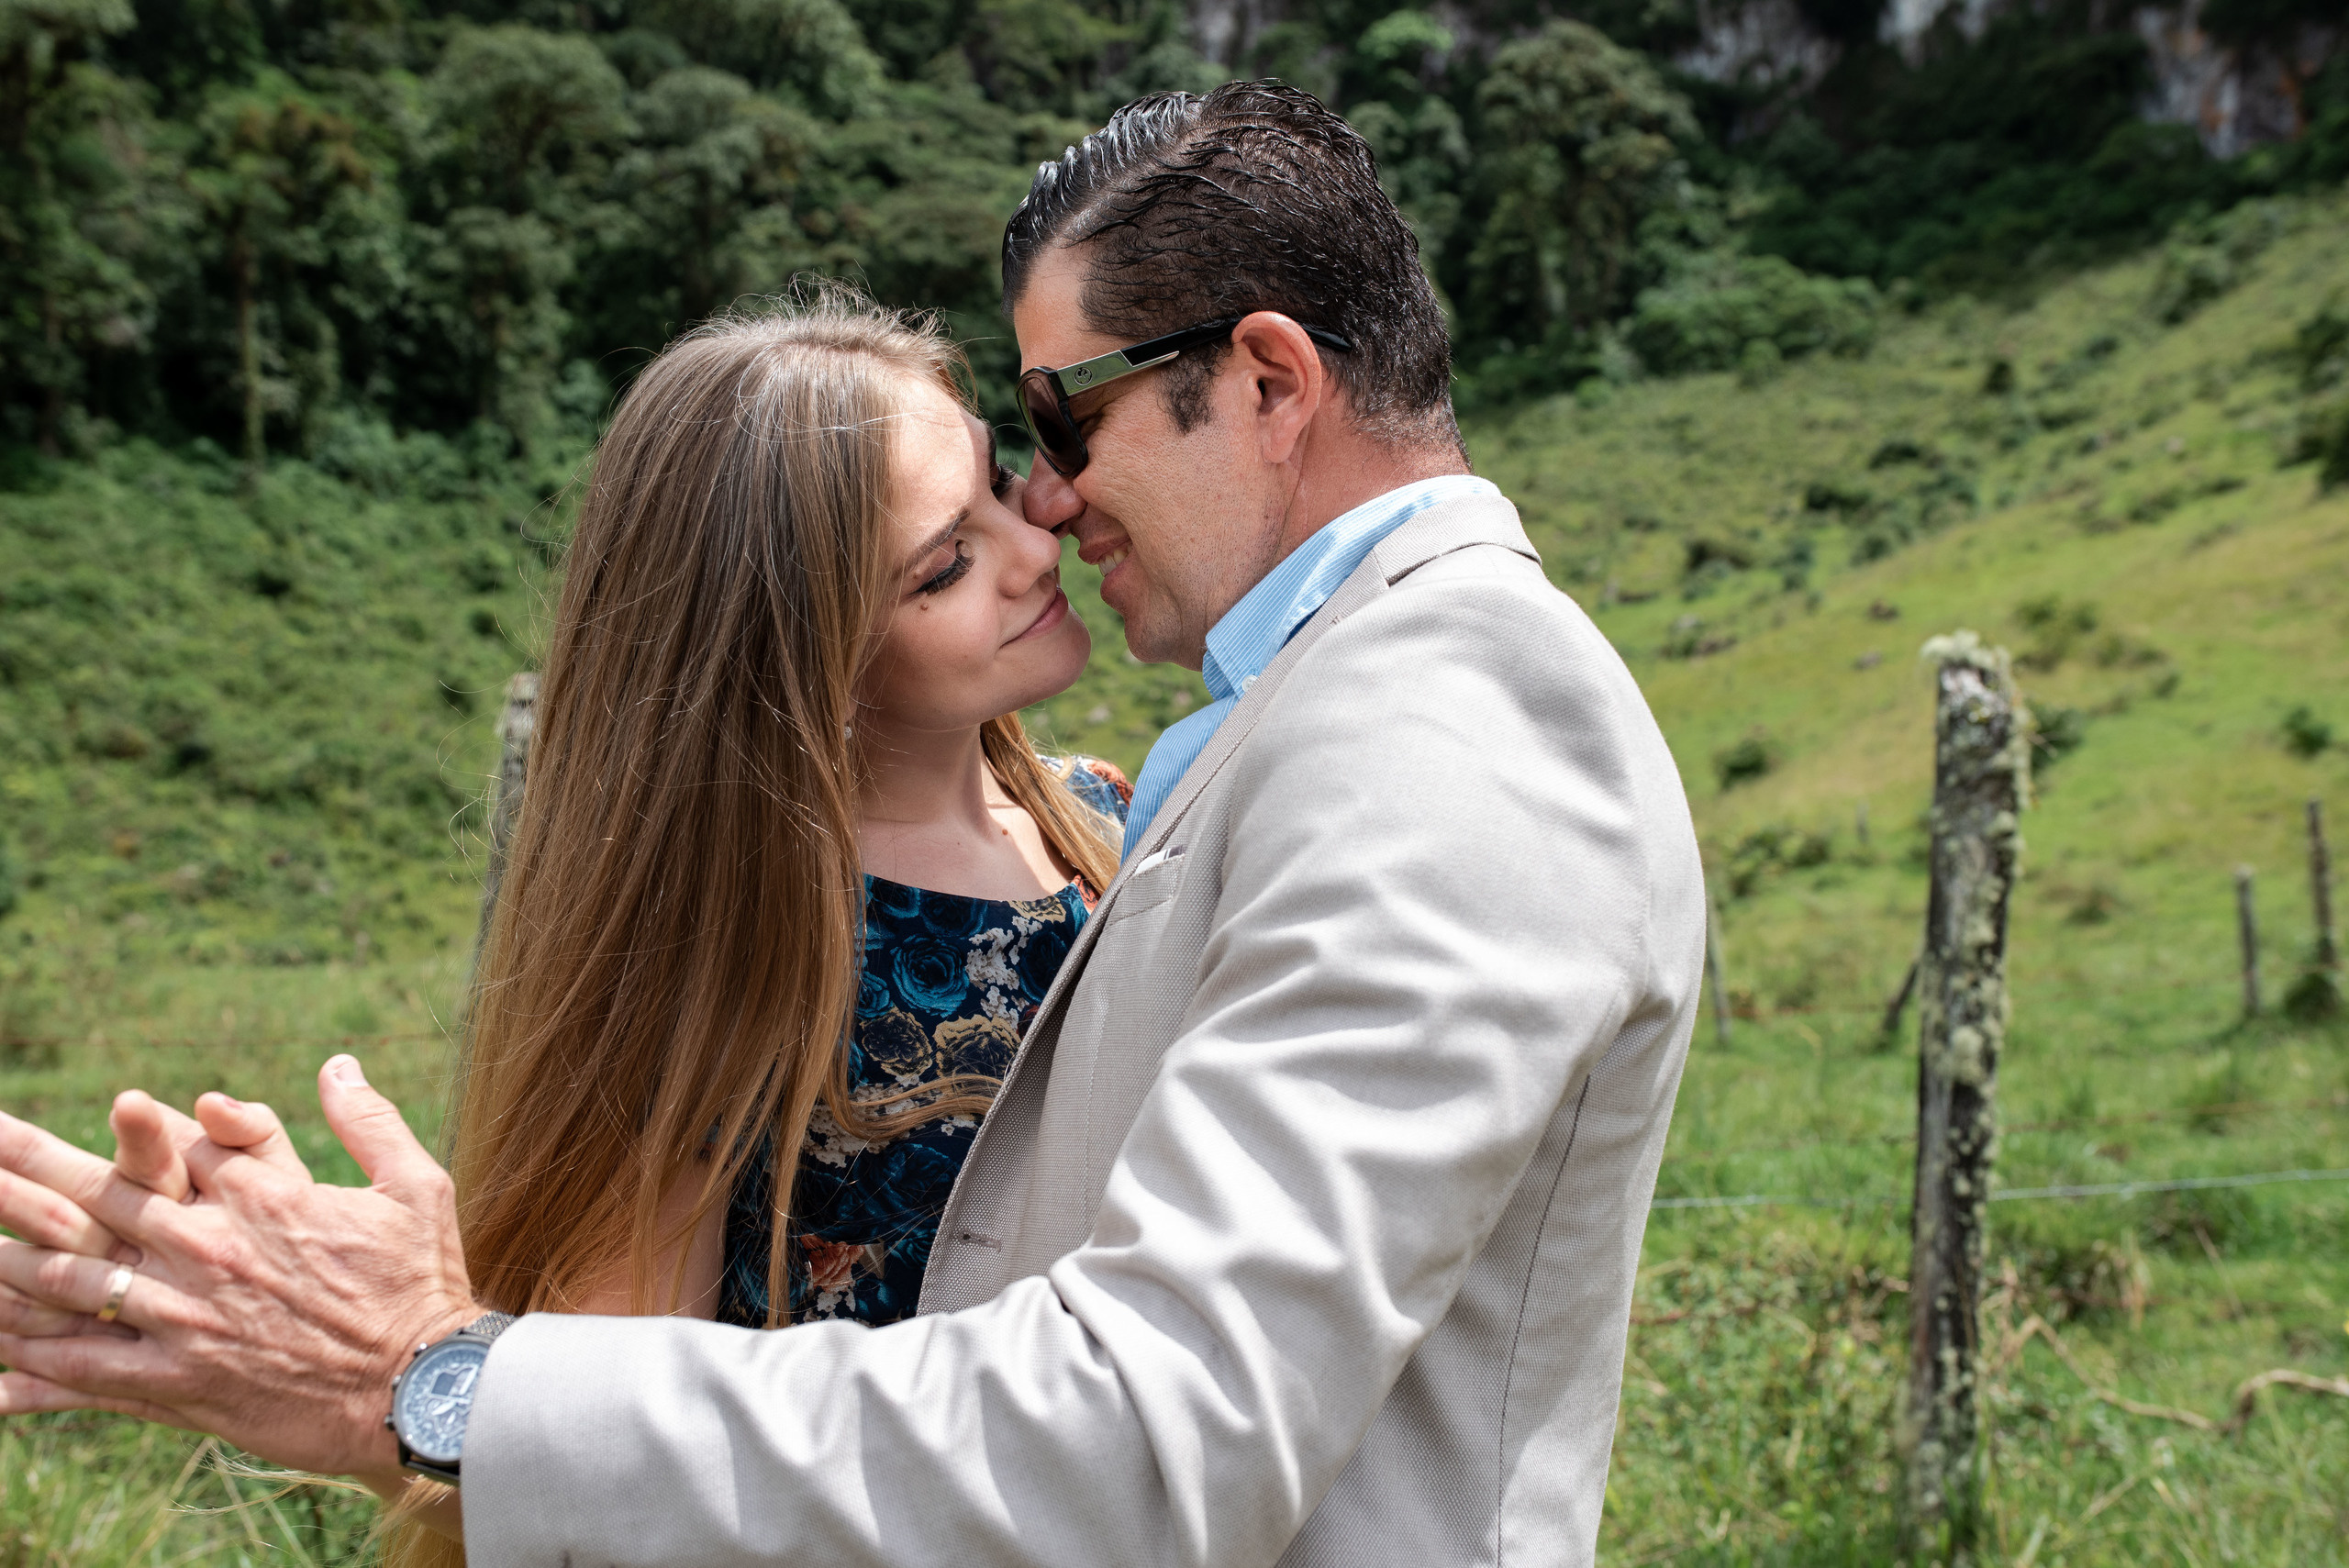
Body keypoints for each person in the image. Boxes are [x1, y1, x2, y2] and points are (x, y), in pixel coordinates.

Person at [0, 82, 1705, 1568]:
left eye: (1061, 421)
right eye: (967, 516)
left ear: (1265, 379)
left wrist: (443, 1371)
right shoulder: (1311, 715)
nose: (1046, 502)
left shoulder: (1448, 723)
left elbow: (1143, 1443)